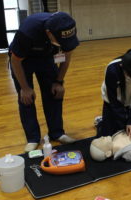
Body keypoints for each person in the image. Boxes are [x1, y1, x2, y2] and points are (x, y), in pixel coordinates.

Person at [8, 12, 79, 152]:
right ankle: (33, 138)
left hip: (47, 57)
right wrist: (25, 88)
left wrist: (59, 82)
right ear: (49, 33)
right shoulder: (28, 32)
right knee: (26, 98)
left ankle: (57, 133)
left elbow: (66, 55)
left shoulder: (67, 29)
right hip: (23, 60)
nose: (64, 44)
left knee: (54, 93)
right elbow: (15, 60)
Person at [96, 49, 131, 138]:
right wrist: (126, 122)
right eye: (130, 76)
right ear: (122, 66)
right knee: (107, 136)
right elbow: (113, 100)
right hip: (113, 101)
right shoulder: (112, 70)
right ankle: (100, 122)